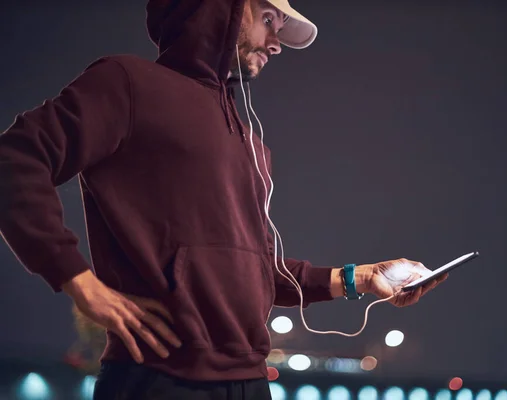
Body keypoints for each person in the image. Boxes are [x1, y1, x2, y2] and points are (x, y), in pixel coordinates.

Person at [0, 0, 448, 398]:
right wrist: (77, 280)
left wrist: (364, 277)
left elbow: (258, 273)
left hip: (251, 381)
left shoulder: (251, 142)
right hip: (158, 379)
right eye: (268, 18)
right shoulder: (127, 84)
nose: (276, 42)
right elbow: (14, 161)